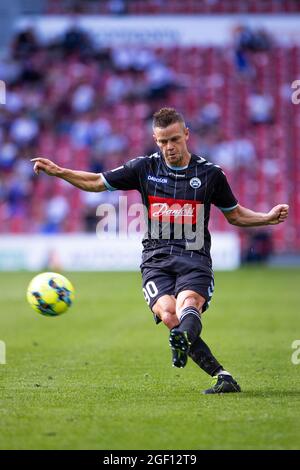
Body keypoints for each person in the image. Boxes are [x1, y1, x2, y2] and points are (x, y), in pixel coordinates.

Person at [31, 108, 289, 394]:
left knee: (188, 304)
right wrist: (59, 171)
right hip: (155, 258)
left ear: (186, 135)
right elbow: (96, 182)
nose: (170, 147)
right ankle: (221, 375)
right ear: (155, 139)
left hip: (194, 255)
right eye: (163, 141)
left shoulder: (210, 174)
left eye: (175, 139)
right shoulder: (144, 168)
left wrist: (266, 217)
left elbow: (235, 214)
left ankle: (183, 338)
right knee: (168, 313)